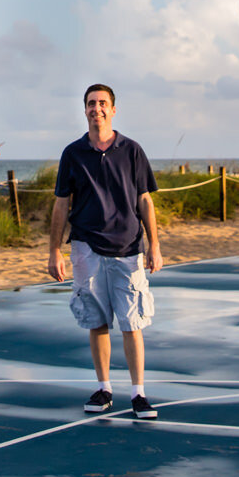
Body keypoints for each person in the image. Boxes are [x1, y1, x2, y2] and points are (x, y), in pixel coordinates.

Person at [47, 84, 162, 420]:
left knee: (132, 322)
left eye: (102, 103)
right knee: (96, 322)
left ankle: (138, 393)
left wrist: (154, 245)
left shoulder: (132, 151)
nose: (96, 108)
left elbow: (145, 200)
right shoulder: (72, 153)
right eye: (90, 103)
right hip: (85, 248)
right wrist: (54, 250)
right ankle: (104, 388)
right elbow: (61, 203)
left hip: (128, 249)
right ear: (84, 110)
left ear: (113, 110)